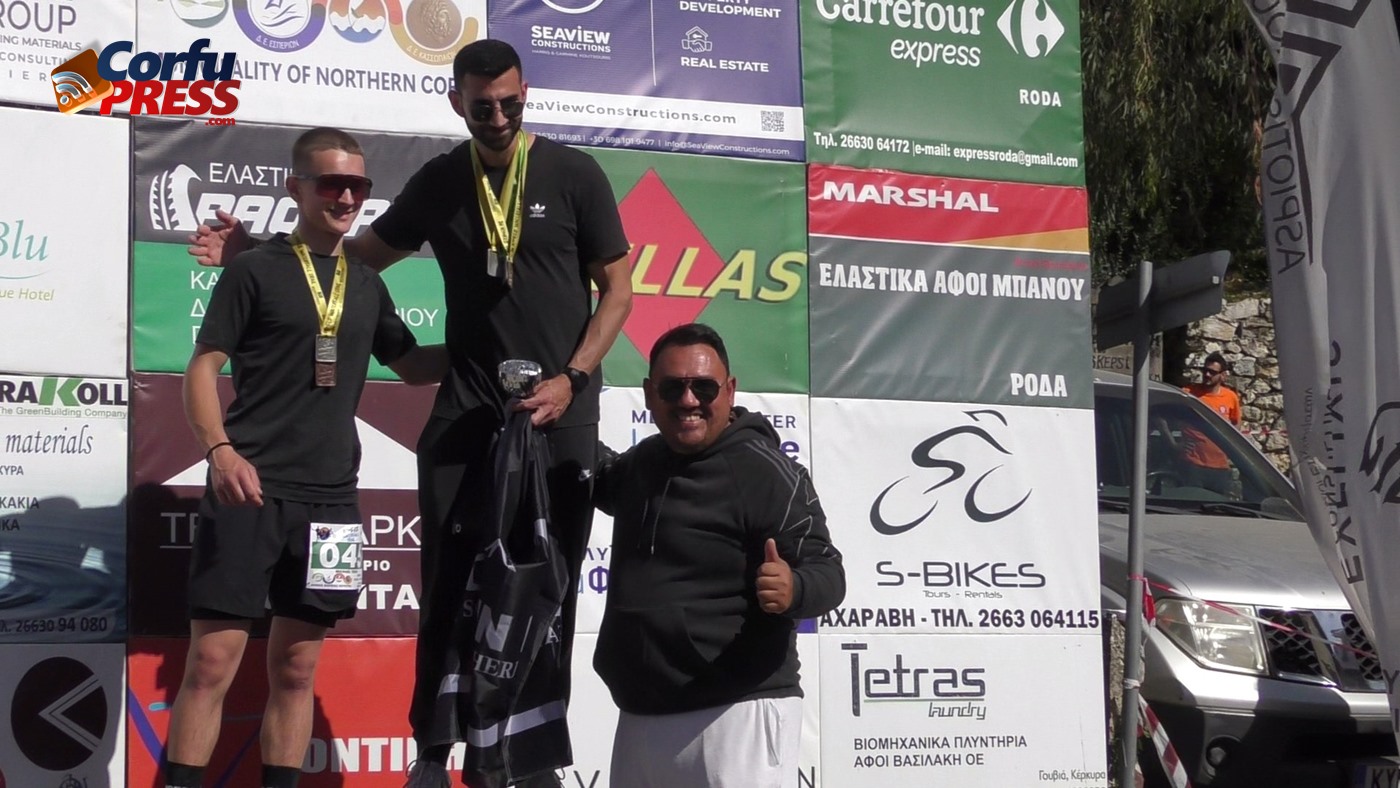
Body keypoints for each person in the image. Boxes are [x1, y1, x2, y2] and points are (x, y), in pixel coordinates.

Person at [187, 40, 632, 788]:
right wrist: (255, 252)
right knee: (449, 585)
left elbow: (618, 292)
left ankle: (528, 763)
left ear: (527, 94)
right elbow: (345, 262)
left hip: (560, 412)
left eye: (510, 102)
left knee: (545, 593)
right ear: (457, 103)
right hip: (468, 415)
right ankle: (433, 752)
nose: (498, 116)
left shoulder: (575, 173)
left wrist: (572, 378)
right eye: (482, 105)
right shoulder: (441, 179)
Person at [165, 127, 448, 788]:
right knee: (211, 663)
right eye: (331, 184)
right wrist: (220, 452)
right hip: (249, 490)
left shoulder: (367, 284)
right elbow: (202, 368)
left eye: (357, 186)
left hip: (333, 503)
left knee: (297, 668)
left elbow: (413, 367)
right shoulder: (253, 270)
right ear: (296, 188)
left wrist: (493, 344)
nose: (345, 197)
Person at [591, 323, 845, 788]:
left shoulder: (764, 471)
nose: (688, 400)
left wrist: (794, 588)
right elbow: (596, 475)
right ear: (649, 394)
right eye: (672, 388)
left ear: (729, 391)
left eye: (704, 387)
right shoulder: (642, 463)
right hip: (640, 716)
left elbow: (828, 573)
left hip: (738, 715)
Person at [1185, 351, 1242, 426]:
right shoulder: (1188, 393)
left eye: (1212, 372)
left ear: (1223, 375)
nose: (1207, 374)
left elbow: (1236, 423)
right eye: (1205, 370)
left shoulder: (1230, 397)